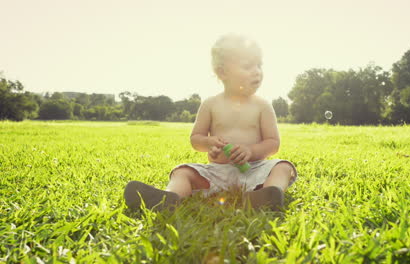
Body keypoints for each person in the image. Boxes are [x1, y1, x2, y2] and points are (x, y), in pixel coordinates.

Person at [124, 33, 297, 211]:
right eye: (247, 66)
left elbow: (273, 143)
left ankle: (266, 194)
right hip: (217, 173)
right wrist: (209, 144)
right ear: (222, 72)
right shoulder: (210, 104)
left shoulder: (263, 105)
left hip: (254, 170)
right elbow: (196, 139)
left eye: (259, 65)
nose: (257, 71)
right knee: (182, 171)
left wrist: (251, 151)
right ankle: (170, 198)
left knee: (283, 167)